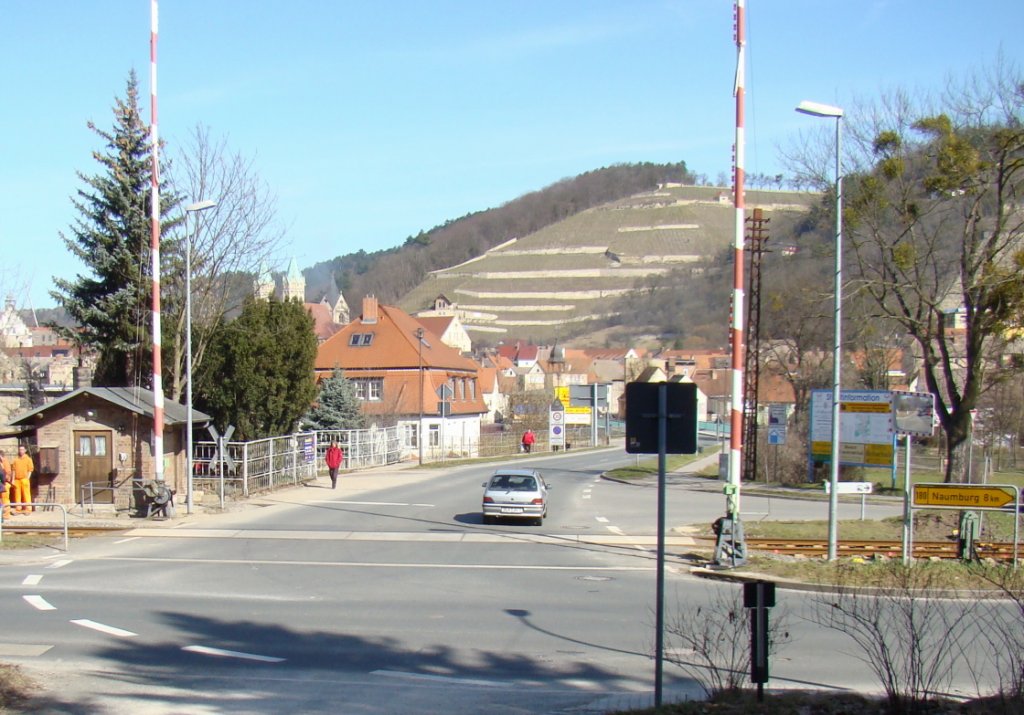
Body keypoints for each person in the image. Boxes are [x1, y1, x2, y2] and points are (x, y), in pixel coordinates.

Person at [11, 444, 33, 514]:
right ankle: (18, 509)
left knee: (26, 494)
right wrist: (13, 479)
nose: (21, 451)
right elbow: (13, 470)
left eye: (22, 449)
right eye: (20, 449)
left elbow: (30, 470)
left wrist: (27, 478)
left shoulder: (28, 459)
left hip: (24, 479)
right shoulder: (16, 460)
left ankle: (28, 509)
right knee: (17, 495)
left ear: (25, 450)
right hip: (17, 480)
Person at [0, 450, 9, 519]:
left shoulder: (5, 462)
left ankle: (5, 515)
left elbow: (5, 474)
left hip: (3, 484)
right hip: (2, 484)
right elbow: (2, 474)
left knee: (4, 500)